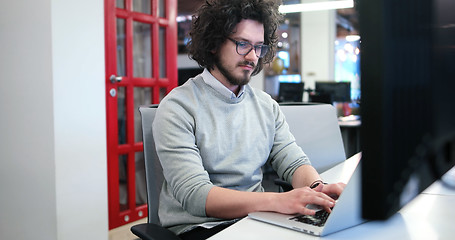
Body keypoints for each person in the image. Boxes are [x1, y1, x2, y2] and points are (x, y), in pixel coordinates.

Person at [152, 0, 345, 239]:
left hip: (256, 219)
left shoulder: (266, 106)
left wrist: (318, 188)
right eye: (242, 44)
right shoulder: (177, 107)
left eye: (259, 47)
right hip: (201, 228)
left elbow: (293, 161)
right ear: (214, 43)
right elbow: (196, 196)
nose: (253, 57)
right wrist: (278, 201)